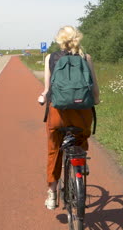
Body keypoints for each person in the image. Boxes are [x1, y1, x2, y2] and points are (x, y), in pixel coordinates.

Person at [37, 26, 100, 210]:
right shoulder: (86, 58)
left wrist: (42, 97)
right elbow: (94, 89)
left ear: (60, 40)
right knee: (82, 135)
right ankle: (80, 161)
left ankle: (52, 193)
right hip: (82, 114)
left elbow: (48, 89)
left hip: (59, 114)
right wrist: (96, 100)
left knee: (54, 149)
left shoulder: (51, 58)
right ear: (77, 39)